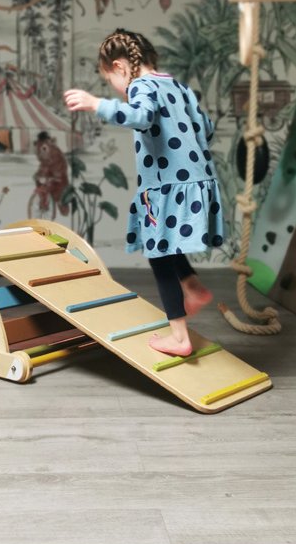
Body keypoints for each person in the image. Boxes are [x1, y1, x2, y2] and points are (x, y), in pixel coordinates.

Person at [63, 29, 224, 357]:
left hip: (166, 185)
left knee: (158, 254)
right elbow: (206, 128)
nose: (116, 89)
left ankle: (179, 338)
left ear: (120, 67)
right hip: (196, 180)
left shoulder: (140, 86)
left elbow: (141, 116)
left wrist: (97, 104)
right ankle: (192, 286)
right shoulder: (177, 86)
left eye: (111, 81)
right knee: (165, 241)